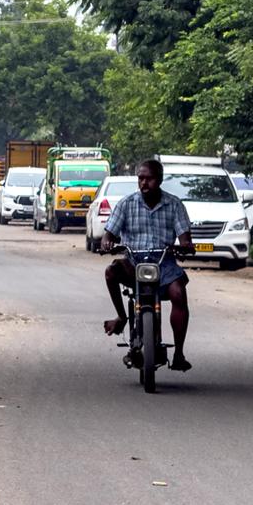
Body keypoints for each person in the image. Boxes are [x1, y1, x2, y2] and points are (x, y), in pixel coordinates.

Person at [100, 159, 195, 372]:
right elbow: (109, 234)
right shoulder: (126, 204)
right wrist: (107, 243)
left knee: (179, 293)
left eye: (149, 178)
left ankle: (178, 353)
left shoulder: (174, 205)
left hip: (164, 262)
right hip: (134, 261)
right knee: (110, 272)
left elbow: (185, 238)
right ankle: (122, 317)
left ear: (159, 180)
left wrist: (186, 246)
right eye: (140, 178)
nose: (144, 183)